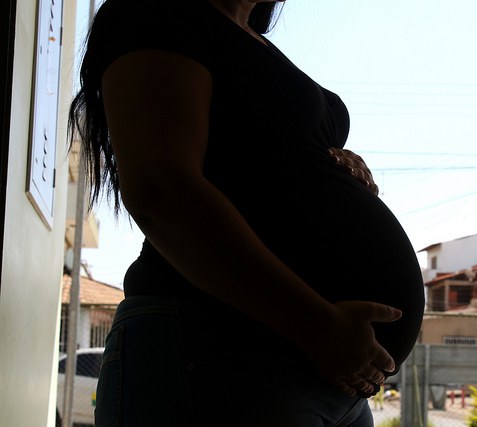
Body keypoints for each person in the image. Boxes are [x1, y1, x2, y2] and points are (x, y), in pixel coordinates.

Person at [68, 0, 425, 425]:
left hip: (317, 376)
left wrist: (328, 163)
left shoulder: (248, 38)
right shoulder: (161, 11)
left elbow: (251, 154)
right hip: (223, 351)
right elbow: (160, 187)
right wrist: (316, 324)